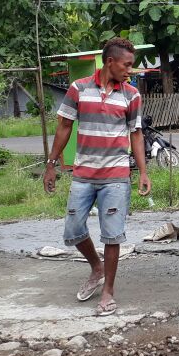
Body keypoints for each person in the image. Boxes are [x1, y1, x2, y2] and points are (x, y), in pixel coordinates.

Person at [43, 37, 151, 316]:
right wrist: (51, 163)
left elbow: (136, 134)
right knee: (73, 229)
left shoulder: (131, 95)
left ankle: (108, 292)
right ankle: (96, 267)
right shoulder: (78, 89)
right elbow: (64, 126)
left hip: (116, 174)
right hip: (83, 174)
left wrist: (143, 172)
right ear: (110, 62)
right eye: (127, 65)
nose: (130, 70)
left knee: (112, 235)